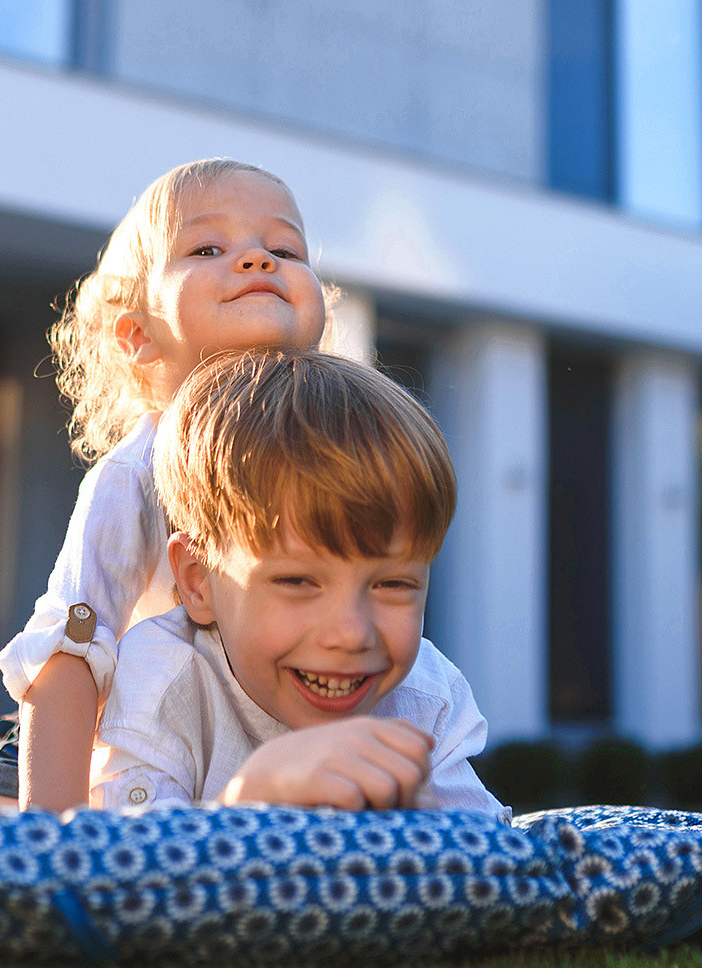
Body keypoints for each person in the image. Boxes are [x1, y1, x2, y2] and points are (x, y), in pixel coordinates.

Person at [0, 159, 331, 811]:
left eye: (284, 250)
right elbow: (71, 649)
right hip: (124, 754)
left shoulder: (342, 454)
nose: (258, 259)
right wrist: (56, 833)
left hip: (257, 749)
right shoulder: (138, 475)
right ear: (139, 336)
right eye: (208, 248)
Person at [91, 346, 505, 814]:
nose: (351, 634)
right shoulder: (163, 680)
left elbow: (490, 851)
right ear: (198, 581)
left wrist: (429, 827)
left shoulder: (426, 697)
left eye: (392, 584)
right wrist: (248, 799)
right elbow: (127, 852)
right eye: (297, 581)